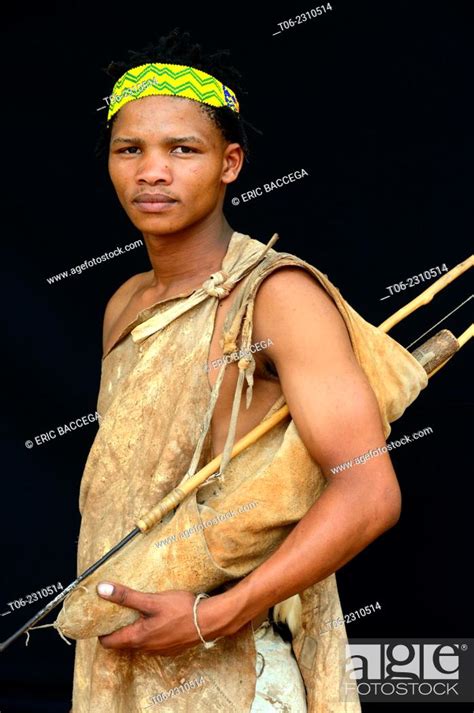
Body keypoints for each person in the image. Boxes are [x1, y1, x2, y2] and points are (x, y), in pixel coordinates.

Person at [61, 27, 428, 712]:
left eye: (183, 149)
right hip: (123, 658)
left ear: (230, 163)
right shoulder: (125, 303)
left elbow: (369, 492)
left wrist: (214, 615)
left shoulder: (275, 296)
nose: (153, 172)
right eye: (130, 149)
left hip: (234, 666)